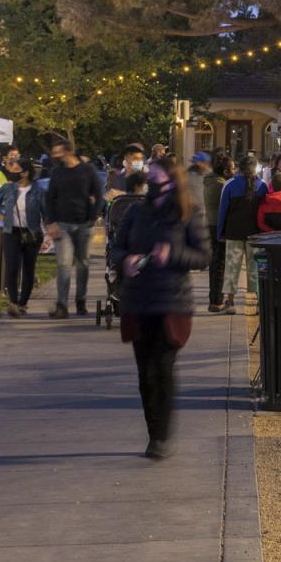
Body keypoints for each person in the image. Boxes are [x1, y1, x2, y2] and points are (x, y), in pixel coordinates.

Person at [107, 154, 208, 459]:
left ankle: (161, 436)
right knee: (144, 372)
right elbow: (116, 246)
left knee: (162, 368)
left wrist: (173, 254)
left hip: (171, 301)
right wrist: (126, 260)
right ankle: (153, 432)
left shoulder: (188, 213)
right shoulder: (136, 211)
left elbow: (203, 257)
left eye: (157, 176)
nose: (151, 181)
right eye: (149, 176)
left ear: (171, 178)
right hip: (138, 299)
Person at [44, 137, 105, 318]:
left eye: (58, 151)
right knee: (63, 264)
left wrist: (93, 216)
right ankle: (62, 305)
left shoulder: (87, 170)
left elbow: (99, 195)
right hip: (62, 224)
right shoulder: (57, 172)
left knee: (82, 264)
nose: (55, 155)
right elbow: (49, 199)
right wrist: (51, 222)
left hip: (84, 224)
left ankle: (81, 300)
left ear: (68, 151)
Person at [0, 159, 47, 317]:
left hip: (32, 234)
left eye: (16, 170)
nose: (12, 173)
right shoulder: (8, 188)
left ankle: (23, 303)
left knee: (29, 269)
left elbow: (46, 212)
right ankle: (13, 302)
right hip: (11, 232)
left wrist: (50, 229)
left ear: (25, 172)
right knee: (12, 268)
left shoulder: (38, 191)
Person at [215, 155, 267, 313]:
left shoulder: (230, 184)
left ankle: (230, 302)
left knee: (231, 269)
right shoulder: (262, 185)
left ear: (239, 168)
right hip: (256, 235)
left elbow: (222, 211)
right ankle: (258, 303)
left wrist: (220, 233)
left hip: (234, 233)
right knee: (255, 269)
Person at [201, 152, 231, 311]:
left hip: (209, 225)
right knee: (219, 264)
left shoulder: (209, 181)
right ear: (225, 171)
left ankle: (215, 299)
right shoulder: (220, 185)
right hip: (217, 226)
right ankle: (216, 301)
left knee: (215, 264)